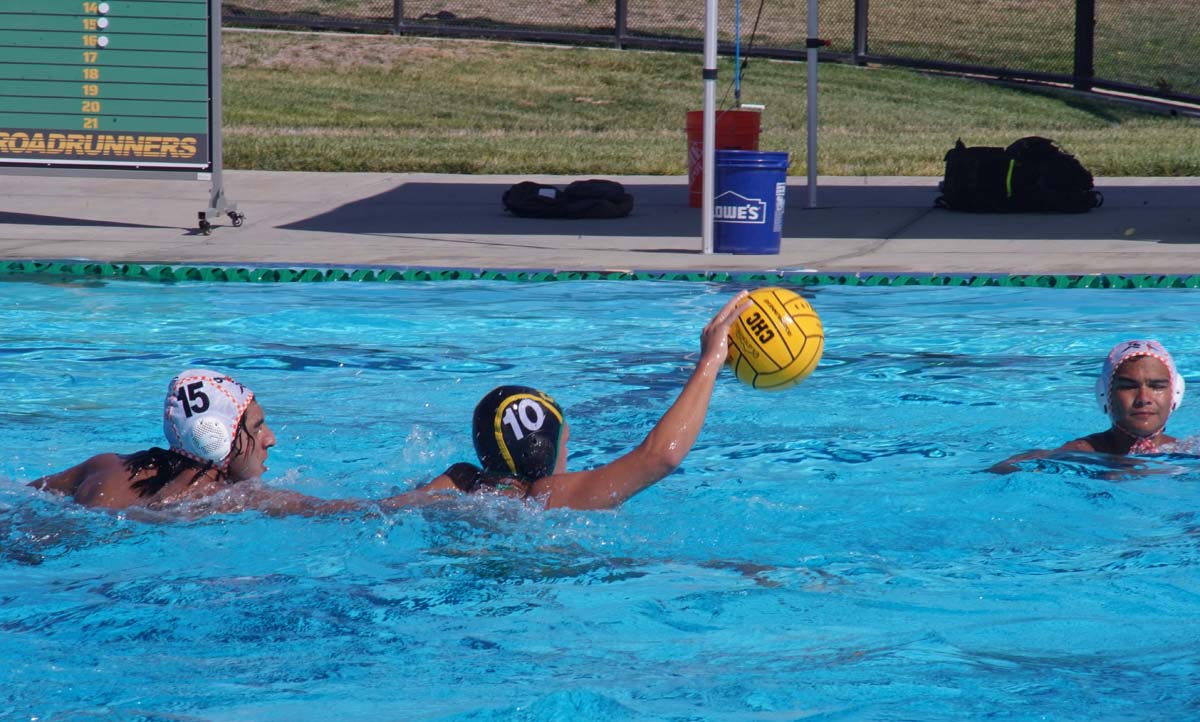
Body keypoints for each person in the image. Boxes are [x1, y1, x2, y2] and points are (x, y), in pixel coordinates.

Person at [412, 290, 752, 509]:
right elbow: (659, 458)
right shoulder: (546, 497)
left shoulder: (460, 483)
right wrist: (709, 363)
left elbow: (375, 508)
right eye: (565, 442)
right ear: (546, 449)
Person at [27, 368, 430, 515]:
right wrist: (444, 490)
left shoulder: (105, 466)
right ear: (215, 438)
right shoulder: (228, 500)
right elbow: (358, 511)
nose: (270, 439)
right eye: (256, 427)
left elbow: (20, 498)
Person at [988, 339, 1186, 473]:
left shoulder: (1189, 450)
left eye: (1157, 386)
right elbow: (1006, 469)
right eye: (1128, 386)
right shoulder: (1081, 453)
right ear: (1104, 394)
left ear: (1175, 393)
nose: (1144, 398)